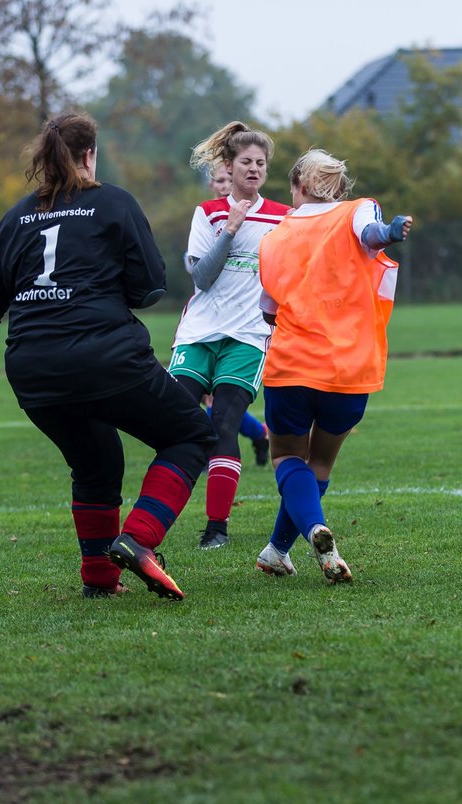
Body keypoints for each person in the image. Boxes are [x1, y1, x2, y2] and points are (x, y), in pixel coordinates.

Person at [0, 112, 215, 601]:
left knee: (96, 463)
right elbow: (149, 287)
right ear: (90, 154)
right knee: (191, 434)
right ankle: (138, 541)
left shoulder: (17, 216)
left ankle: (100, 582)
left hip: (33, 371)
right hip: (106, 356)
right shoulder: (114, 203)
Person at [254, 148, 412, 582]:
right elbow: (371, 234)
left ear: (299, 188)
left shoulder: (274, 237)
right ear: (339, 188)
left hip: (293, 365)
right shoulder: (356, 210)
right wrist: (390, 231)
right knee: (319, 464)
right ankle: (277, 550)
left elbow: (268, 309)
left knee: (287, 455)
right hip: (351, 367)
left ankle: (312, 530)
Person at [172, 121, 290, 550]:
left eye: (261, 163)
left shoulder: (283, 217)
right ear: (229, 166)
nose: (255, 169)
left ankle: (216, 529)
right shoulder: (208, 213)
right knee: (178, 421)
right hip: (199, 332)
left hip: (247, 335)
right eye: (247, 162)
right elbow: (202, 278)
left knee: (223, 424)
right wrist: (232, 229)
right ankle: (156, 516)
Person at [185, 162, 271, 469]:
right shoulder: (207, 219)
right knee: (202, 402)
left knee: (218, 404)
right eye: (219, 181)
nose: (224, 186)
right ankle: (258, 434)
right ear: (213, 185)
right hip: (206, 322)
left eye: (227, 179)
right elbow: (200, 273)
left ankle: (248, 439)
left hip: (243, 327)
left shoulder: (266, 220)